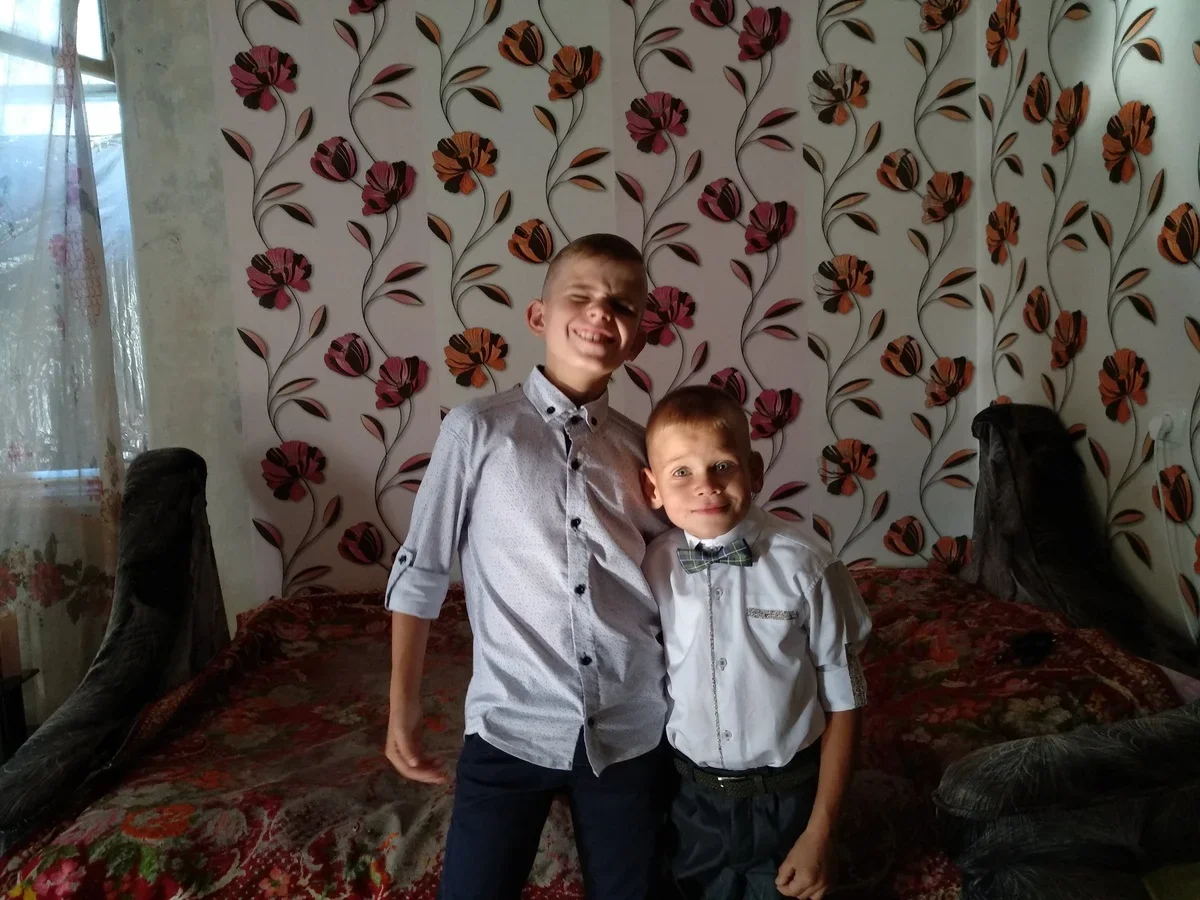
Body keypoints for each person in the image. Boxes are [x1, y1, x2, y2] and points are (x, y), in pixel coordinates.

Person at [383, 233, 670, 900]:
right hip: (510, 723)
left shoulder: (645, 452)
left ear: (636, 340)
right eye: (581, 296)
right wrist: (403, 704)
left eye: (623, 306)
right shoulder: (477, 430)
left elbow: (680, 577)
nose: (601, 312)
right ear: (539, 316)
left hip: (630, 727)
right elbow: (422, 568)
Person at [640, 385, 873, 900]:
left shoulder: (809, 565)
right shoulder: (652, 565)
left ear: (755, 470)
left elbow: (846, 698)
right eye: (681, 473)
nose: (705, 486)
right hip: (690, 803)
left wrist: (820, 832)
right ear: (652, 488)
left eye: (722, 466)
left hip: (788, 800)